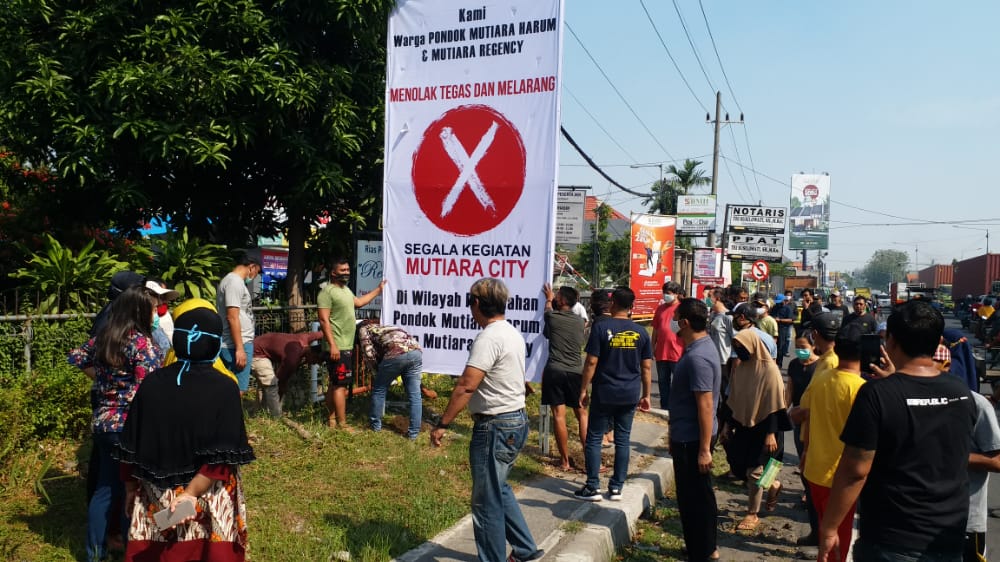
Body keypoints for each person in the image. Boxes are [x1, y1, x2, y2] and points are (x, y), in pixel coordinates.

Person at [817, 300, 978, 562]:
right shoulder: (961, 393)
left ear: (889, 341)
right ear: (938, 341)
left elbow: (855, 471)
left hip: (891, 540)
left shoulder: (877, 395)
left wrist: (830, 526)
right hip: (948, 537)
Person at [114, 298, 256, 561]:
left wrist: (131, 488)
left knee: (161, 553)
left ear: (176, 341)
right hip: (208, 493)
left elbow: (129, 446)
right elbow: (222, 457)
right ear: (214, 343)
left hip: (157, 494)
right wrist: (190, 494)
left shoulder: (152, 384)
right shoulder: (225, 388)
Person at [429, 278, 542, 562]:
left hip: (495, 425)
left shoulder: (489, 337)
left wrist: (443, 424)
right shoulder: (511, 332)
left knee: (485, 500)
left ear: (476, 304)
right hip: (514, 420)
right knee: (499, 488)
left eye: (470, 302)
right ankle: (526, 549)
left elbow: (467, 385)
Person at [68, 285, 162, 562]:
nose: (155, 313)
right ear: (140, 311)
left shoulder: (105, 338)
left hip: (103, 423)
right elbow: (149, 387)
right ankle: (130, 549)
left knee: (105, 488)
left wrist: (101, 380)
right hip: (129, 427)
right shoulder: (141, 344)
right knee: (131, 488)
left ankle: (94, 553)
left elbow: (75, 356)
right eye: (152, 309)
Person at [575, 287, 653, 502]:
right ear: (632, 307)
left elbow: (591, 362)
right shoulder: (641, 332)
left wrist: (583, 389)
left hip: (605, 392)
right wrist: (646, 395)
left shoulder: (601, 328)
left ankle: (592, 486)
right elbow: (646, 367)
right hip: (629, 393)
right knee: (623, 440)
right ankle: (617, 487)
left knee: (593, 439)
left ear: (613, 303)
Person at [797, 321, 867, 562]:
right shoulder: (862, 389)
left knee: (828, 536)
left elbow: (809, 419)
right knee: (836, 543)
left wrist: (806, 451)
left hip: (816, 470)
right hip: (841, 479)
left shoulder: (822, 378)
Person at [668, 299, 722, 562]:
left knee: (694, 500)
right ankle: (705, 547)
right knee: (699, 495)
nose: (673, 322)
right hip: (688, 435)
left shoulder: (698, 357)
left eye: (676, 317)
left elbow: (705, 403)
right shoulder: (701, 347)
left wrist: (703, 450)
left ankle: (702, 551)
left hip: (692, 440)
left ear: (685, 322)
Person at [722, 326, 790, 531]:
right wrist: (727, 424)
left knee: (755, 471)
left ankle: (752, 514)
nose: (738, 350)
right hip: (744, 424)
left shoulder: (770, 370)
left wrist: (771, 433)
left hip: (767, 427)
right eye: (735, 346)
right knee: (737, 462)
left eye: (740, 345)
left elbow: (775, 403)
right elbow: (733, 398)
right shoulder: (741, 368)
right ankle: (774, 485)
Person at [317, 257, 386, 430]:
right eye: (342, 271)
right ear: (333, 272)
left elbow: (359, 302)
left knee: (335, 384)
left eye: (348, 270)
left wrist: (378, 290)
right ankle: (342, 424)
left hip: (345, 345)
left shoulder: (346, 290)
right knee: (340, 386)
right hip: (337, 346)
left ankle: (332, 420)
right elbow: (324, 321)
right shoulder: (327, 292)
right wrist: (332, 345)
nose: (346, 273)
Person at [541, 283, 588, 472]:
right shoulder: (579, 321)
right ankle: (590, 456)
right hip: (576, 372)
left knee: (558, 416)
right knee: (582, 414)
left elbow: (547, 309)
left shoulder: (551, 316)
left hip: (555, 370)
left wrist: (548, 297)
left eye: (557, 295)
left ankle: (565, 461)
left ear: (560, 300)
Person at [358, 321, 424, 440]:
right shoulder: (383, 328)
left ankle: (375, 427)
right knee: (415, 396)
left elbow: (369, 354)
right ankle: (413, 434)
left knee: (379, 389)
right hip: (415, 351)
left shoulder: (362, 330)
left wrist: (377, 372)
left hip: (396, 353)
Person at [785, 334, 821, 547]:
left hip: (814, 421)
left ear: (813, 346)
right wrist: (783, 409)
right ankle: (808, 493)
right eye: (797, 347)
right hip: (798, 420)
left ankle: (814, 499)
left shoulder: (820, 367)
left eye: (803, 347)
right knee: (802, 462)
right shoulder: (794, 365)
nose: (800, 350)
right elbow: (789, 390)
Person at [251, 331, 325, 417]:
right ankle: (275, 417)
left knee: (265, 385)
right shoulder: (292, 359)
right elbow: (280, 382)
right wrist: (278, 401)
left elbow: (322, 333)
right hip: (257, 353)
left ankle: (259, 412)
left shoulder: (304, 338)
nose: (313, 364)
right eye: (315, 361)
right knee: (272, 384)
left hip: (260, 342)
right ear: (313, 355)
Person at [217, 256, 261, 395]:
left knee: (232, 389)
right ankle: (229, 416)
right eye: (256, 272)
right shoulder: (234, 282)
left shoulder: (234, 282)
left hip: (237, 343)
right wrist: (240, 348)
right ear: (251, 267)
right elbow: (232, 316)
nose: (254, 276)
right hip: (235, 344)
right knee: (236, 390)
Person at [652, 281, 684, 411]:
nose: (666, 295)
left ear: (676, 294)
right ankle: (665, 406)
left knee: (679, 382)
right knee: (662, 381)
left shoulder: (682, 309)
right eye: (664, 293)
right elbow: (655, 329)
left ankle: (678, 407)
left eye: (669, 293)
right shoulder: (660, 308)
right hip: (661, 351)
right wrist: (651, 346)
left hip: (678, 351)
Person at [146, 278, 181, 362]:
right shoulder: (140, 333)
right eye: (159, 297)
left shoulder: (165, 314)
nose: (162, 301)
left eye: (164, 297)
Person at [772, 294, 795, 368]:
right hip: (774, 328)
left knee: (780, 347)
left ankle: (779, 363)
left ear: (783, 301)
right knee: (773, 346)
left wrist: (780, 320)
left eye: (780, 302)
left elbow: (791, 320)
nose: (778, 303)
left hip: (783, 329)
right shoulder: (775, 307)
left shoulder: (788, 308)